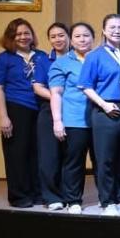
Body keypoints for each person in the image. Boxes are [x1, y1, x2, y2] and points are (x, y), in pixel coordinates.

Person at [0, 18, 47, 207]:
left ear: (32, 35)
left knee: (38, 153)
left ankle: (37, 193)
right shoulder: (2, 59)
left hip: (41, 109)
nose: (23, 37)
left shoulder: (42, 56)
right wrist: (3, 117)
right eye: (18, 34)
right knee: (17, 154)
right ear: (10, 37)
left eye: (26, 33)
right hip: (16, 109)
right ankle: (19, 196)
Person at [79, 14, 120, 216]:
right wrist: (104, 105)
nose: (116, 31)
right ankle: (107, 201)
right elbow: (85, 86)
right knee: (105, 158)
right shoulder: (94, 56)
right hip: (104, 110)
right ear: (104, 31)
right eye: (112, 27)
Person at [48, 22, 95, 214]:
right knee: (74, 162)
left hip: (101, 119)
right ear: (71, 40)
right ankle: (73, 200)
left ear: (93, 38)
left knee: (104, 162)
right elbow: (56, 93)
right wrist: (57, 121)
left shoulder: (100, 58)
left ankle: (109, 200)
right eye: (77, 36)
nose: (82, 39)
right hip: (74, 120)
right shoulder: (61, 63)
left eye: (86, 35)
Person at [32, 22, 71, 210]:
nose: (58, 39)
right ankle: (51, 196)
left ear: (68, 36)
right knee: (49, 155)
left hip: (74, 112)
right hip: (49, 111)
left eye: (61, 35)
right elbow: (38, 87)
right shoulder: (43, 60)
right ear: (49, 39)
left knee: (70, 155)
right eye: (53, 36)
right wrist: (58, 98)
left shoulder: (80, 57)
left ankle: (69, 195)